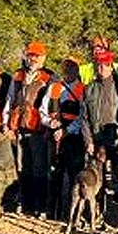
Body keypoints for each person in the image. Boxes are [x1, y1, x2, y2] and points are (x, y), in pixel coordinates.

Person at [4, 41, 55, 216]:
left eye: (37, 56)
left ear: (44, 58)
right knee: (22, 166)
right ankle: (25, 202)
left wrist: (49, 128)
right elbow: (10, 100)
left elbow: (52, 106)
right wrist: (6, 124)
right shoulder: (18, 76)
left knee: (40, 168)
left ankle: (40, 205)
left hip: (39, 131)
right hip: (19, 129)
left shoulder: (50, 78)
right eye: (31, 55)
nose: (33, 59)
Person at [80, 49, 118, 201]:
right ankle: (96, 214)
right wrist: (88, 141)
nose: (101, 68)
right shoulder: (89, 88)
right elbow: (84, 118)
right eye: (98, 65)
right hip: (96, 139)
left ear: (111, 67)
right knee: (96, 179)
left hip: (117, 138)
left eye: (104, 65)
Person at [40, 56, 85, 220]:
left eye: (72, 67)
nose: (69, 70)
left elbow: (82, 117)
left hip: (74, 139)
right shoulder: (53, 87)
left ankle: (72, 215)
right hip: (54, 136)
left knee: (74, 176)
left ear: (78, 69)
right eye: (66, 66)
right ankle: (51, 210)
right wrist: (50, 123)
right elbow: (42, 111)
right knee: (53, 174)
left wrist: (66, 131)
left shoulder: (82, 89)